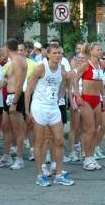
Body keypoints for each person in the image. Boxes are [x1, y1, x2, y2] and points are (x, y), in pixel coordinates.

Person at [25, 43, 74, 186]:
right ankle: (40, 175)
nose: (58, 55)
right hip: (39, 107)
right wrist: (27, 111)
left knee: (59, 140)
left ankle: (59, 174)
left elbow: (63, 86)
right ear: (48, 54)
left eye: (60, 53)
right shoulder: (41, 67)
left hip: (53, 108)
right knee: (40, 142)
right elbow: (28, 89)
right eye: (55, 53)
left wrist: (58, 98)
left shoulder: (62, 69)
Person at [3, 38, 28, 170]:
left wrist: (14, 102)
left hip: (15, 96)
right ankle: (8, 155)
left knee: (18, 130)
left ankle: (19, 158)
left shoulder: (18, 61)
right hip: (9, 95)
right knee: (7, 127)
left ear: (7, 48)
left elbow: (19, 83)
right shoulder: (12, 61)